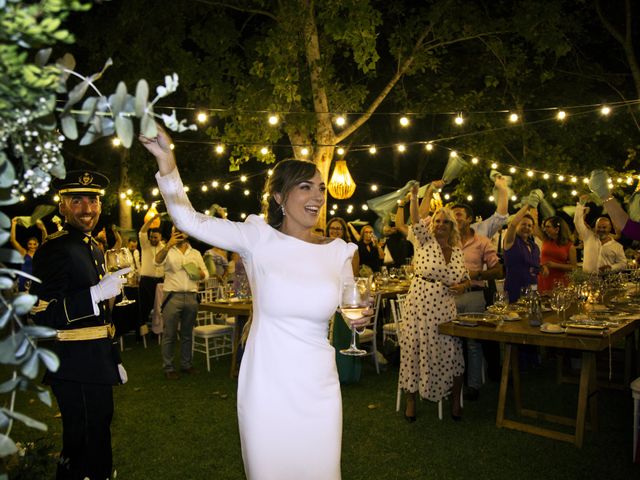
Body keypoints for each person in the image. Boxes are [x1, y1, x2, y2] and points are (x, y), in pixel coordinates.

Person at [140, 128, 369, 480]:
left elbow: (351, 305)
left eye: (321, 187)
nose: (318, 196)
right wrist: (166, 160)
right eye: (305, 186)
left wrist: (360, 319)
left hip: (318, 387)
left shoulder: (339, 252)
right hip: (266, 384)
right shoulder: (256, 237)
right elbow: (187, 219)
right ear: (279, 196)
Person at [30, 170, 129, 480]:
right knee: (80, 445)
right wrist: (96, 293)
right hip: (74, 366)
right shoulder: (54, 249)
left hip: (96, 362)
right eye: (77, 201)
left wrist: (115, 358)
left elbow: (102, 318)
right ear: (62, 206)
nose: (88, 209)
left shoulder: (93, 247)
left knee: (97, 437)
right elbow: (43, 314)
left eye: (93, 200)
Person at [399, 183, 470, 422]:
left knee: (452, 352)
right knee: (415, 348)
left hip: (446, 308)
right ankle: (411, 401)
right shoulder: (423, 242)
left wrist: (462, 285)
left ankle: (454, 400)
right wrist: (416, 195)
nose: (440, 225)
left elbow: (465, 278)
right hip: (420, 304)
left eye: (445, 222)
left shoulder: (458, 252)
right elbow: (415, 216)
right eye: (437, 221)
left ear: (452, 227)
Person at [451, 203, 503, 401]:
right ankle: (453, 383)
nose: (455, 219)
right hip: (450, 296)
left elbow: (498, 270)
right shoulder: (446, 243)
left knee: (473, 343)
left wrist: (478, 273)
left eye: (458, 215)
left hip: (474, 295)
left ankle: (473, 385)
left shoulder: (482, 242)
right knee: (452, 342)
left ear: (469, 219)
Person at [154, 226, 208, 379]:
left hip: (191, 296)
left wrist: (200, 273)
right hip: (172, 296)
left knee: (187, 334)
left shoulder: (196, 253)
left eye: (181, 230)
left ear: (187, 233)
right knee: (169, 334)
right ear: (171, 233)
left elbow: (205, 273)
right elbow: (157, 262)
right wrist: (168, 245)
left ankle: (186, 365)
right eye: (175, 231)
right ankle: (168, 368)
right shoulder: (167, 251)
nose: (179, 233)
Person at [574, 197, 627, 274]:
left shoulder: (617, 246)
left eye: (604, 227)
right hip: (587, 280)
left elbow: (623, 264)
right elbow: (578, 222)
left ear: (609, 228)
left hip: (606, 281)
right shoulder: (588, 237)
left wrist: (611, 268)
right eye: (598, 227)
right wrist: (581, 204)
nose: (601, 229)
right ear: (595, 227)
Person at [503, 204, 540, 303]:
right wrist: (527, 206)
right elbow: (512, 225)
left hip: (532, 290)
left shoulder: (534, 247)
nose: (527, 227)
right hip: (514, 290)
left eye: (529, 226)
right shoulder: (511, 241)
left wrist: (542, 268)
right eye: (523, 224)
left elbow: (533, 267)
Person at [138, 214, 165, 334]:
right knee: (145, 307)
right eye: (151, 237)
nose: (153, 239)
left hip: (160, 281)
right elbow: (142, 231)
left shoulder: (164, 248)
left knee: (159, 307)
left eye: (155, 237)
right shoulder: (145, 245)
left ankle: (157, 330)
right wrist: (152, 220)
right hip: (146, 281)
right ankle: (141, 331)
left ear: (160, 237)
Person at [535, 216, 576, 292]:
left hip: (559, 281)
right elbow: (535, 227)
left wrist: (555, 265)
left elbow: (574, 267)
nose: (544, 229)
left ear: (557, 229)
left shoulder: (569, 246)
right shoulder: (545, 240)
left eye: (548, 227)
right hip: (543, 278)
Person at [10, 216, 47, 291]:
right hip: (23, 282)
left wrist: (43, 229)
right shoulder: (24, 252)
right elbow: (12, 240)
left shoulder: (39, 252)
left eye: (34, 244)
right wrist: (13, 224)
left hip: (36, 280)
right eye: (30, 244)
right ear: (27, 245)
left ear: (37, 244)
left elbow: (45, 241)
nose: (32, 246)